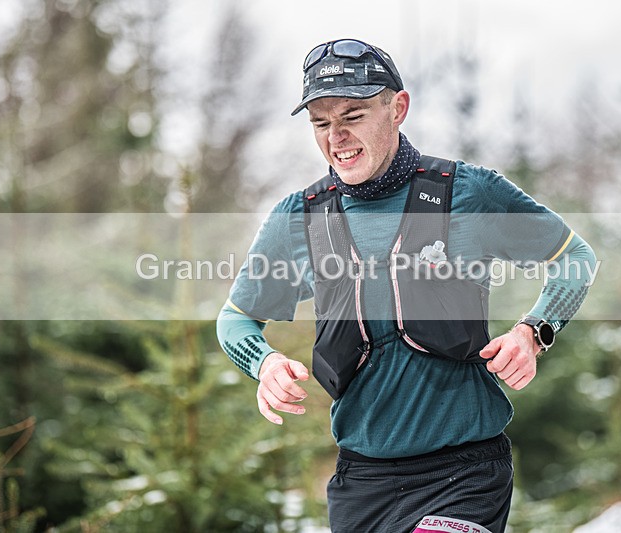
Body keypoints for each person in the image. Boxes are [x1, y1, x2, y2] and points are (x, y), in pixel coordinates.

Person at [217, 38, 596, 533]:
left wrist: (533, 330)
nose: (336, 138)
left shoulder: (468, 192)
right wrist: (262, 363)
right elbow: (235, 319)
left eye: (352, 116)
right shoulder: (298, 219)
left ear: (397, 108)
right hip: (362, 483)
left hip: (465, 473)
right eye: (320, 122)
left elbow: (575, 258)